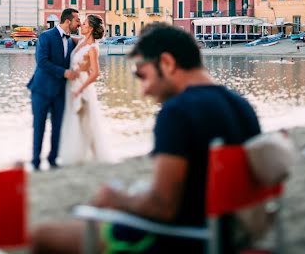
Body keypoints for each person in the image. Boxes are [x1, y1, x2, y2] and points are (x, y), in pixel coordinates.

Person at [32, 23, 261, 253]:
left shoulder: (177, 113)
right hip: (228, 236)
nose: (144, 90)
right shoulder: (241, 105)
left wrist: (116, 199)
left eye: (142, 74)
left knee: (42, 236)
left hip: (179, 240)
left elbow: (162, 207)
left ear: (167, 63)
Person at [27, 8, 81, 171]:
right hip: (41, 90)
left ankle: (53, 159)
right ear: (68, 21)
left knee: (57, 126)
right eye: (77, 20)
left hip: (60, 91)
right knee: (39, 125)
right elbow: (42, 62)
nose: (78, 23)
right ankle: (35, 162)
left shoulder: (72, 41)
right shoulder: (45, 36)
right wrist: (64, 72)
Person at [58, 14, 112, 165]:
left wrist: (80, 89)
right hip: (72, 85)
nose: (81, 25)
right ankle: (79, 155)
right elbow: (65, 37)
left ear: (91, 28)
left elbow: (96, 73)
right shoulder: (80, 41)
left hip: (82, 88)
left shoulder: (93, 48)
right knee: (77, 120)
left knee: (86, 122)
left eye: (84, 24)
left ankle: (97, 157)